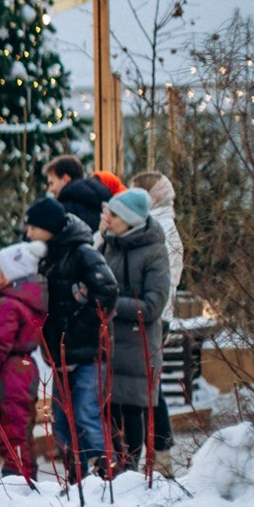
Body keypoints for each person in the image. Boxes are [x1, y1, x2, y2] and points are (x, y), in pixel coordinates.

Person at [0, 195, 118, 478]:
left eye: (32, 227)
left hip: (85, 354)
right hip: (59, 356)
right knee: (62, 424)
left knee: (86, 417)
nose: (27, 233)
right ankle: (77, 484)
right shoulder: (40, 253)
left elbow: (107, 292)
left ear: (47, 227)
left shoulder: (81, 253)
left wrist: (77, 329)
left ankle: (106, 482)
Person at [100, 187, 172, 473]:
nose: (108, 219)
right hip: (108, 344)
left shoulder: (154, 252)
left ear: (129, 219)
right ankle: (115, 470)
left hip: (137, 345)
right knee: (109, 411)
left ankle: (129, 471)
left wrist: (112, 303)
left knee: (131, 410)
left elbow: (154, 305)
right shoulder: (109, 244)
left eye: (114, 215)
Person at [0, 241, 47, 484]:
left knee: (13, 435)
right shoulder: (22, 301)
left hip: (11, 376)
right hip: (22, 372)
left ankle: (19, 482)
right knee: (20, 433)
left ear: (11, 274)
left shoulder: (7, 304)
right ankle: (24, 476)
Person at [131, 169, 185, 455]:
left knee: (149, 387)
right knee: (150, 386)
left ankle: (161, 452)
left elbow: (161, 279)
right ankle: (160, 452)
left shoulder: (159, 228)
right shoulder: (161, 224)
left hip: (153, 316)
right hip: (157, 314)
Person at [42, 154, 114, 236]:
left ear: (65, 179)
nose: (50, 189)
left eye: (52, 183)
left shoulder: (64, 210)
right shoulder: (104, 197)